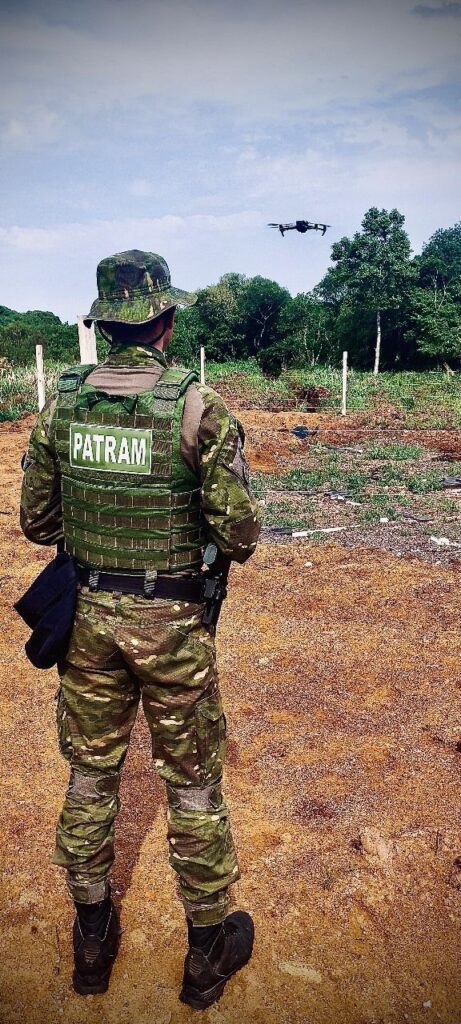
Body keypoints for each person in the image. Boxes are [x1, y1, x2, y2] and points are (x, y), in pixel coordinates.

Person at [19, 249, 261, 1009]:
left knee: (91, 775)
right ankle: (205, 951)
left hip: (88, 622)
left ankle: (92, 939)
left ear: (103, 319)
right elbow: (242, 536)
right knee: (191, 785)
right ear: (166, 320)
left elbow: (36, 523)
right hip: (173, 627)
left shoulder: (62, 403)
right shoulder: (200, 408)